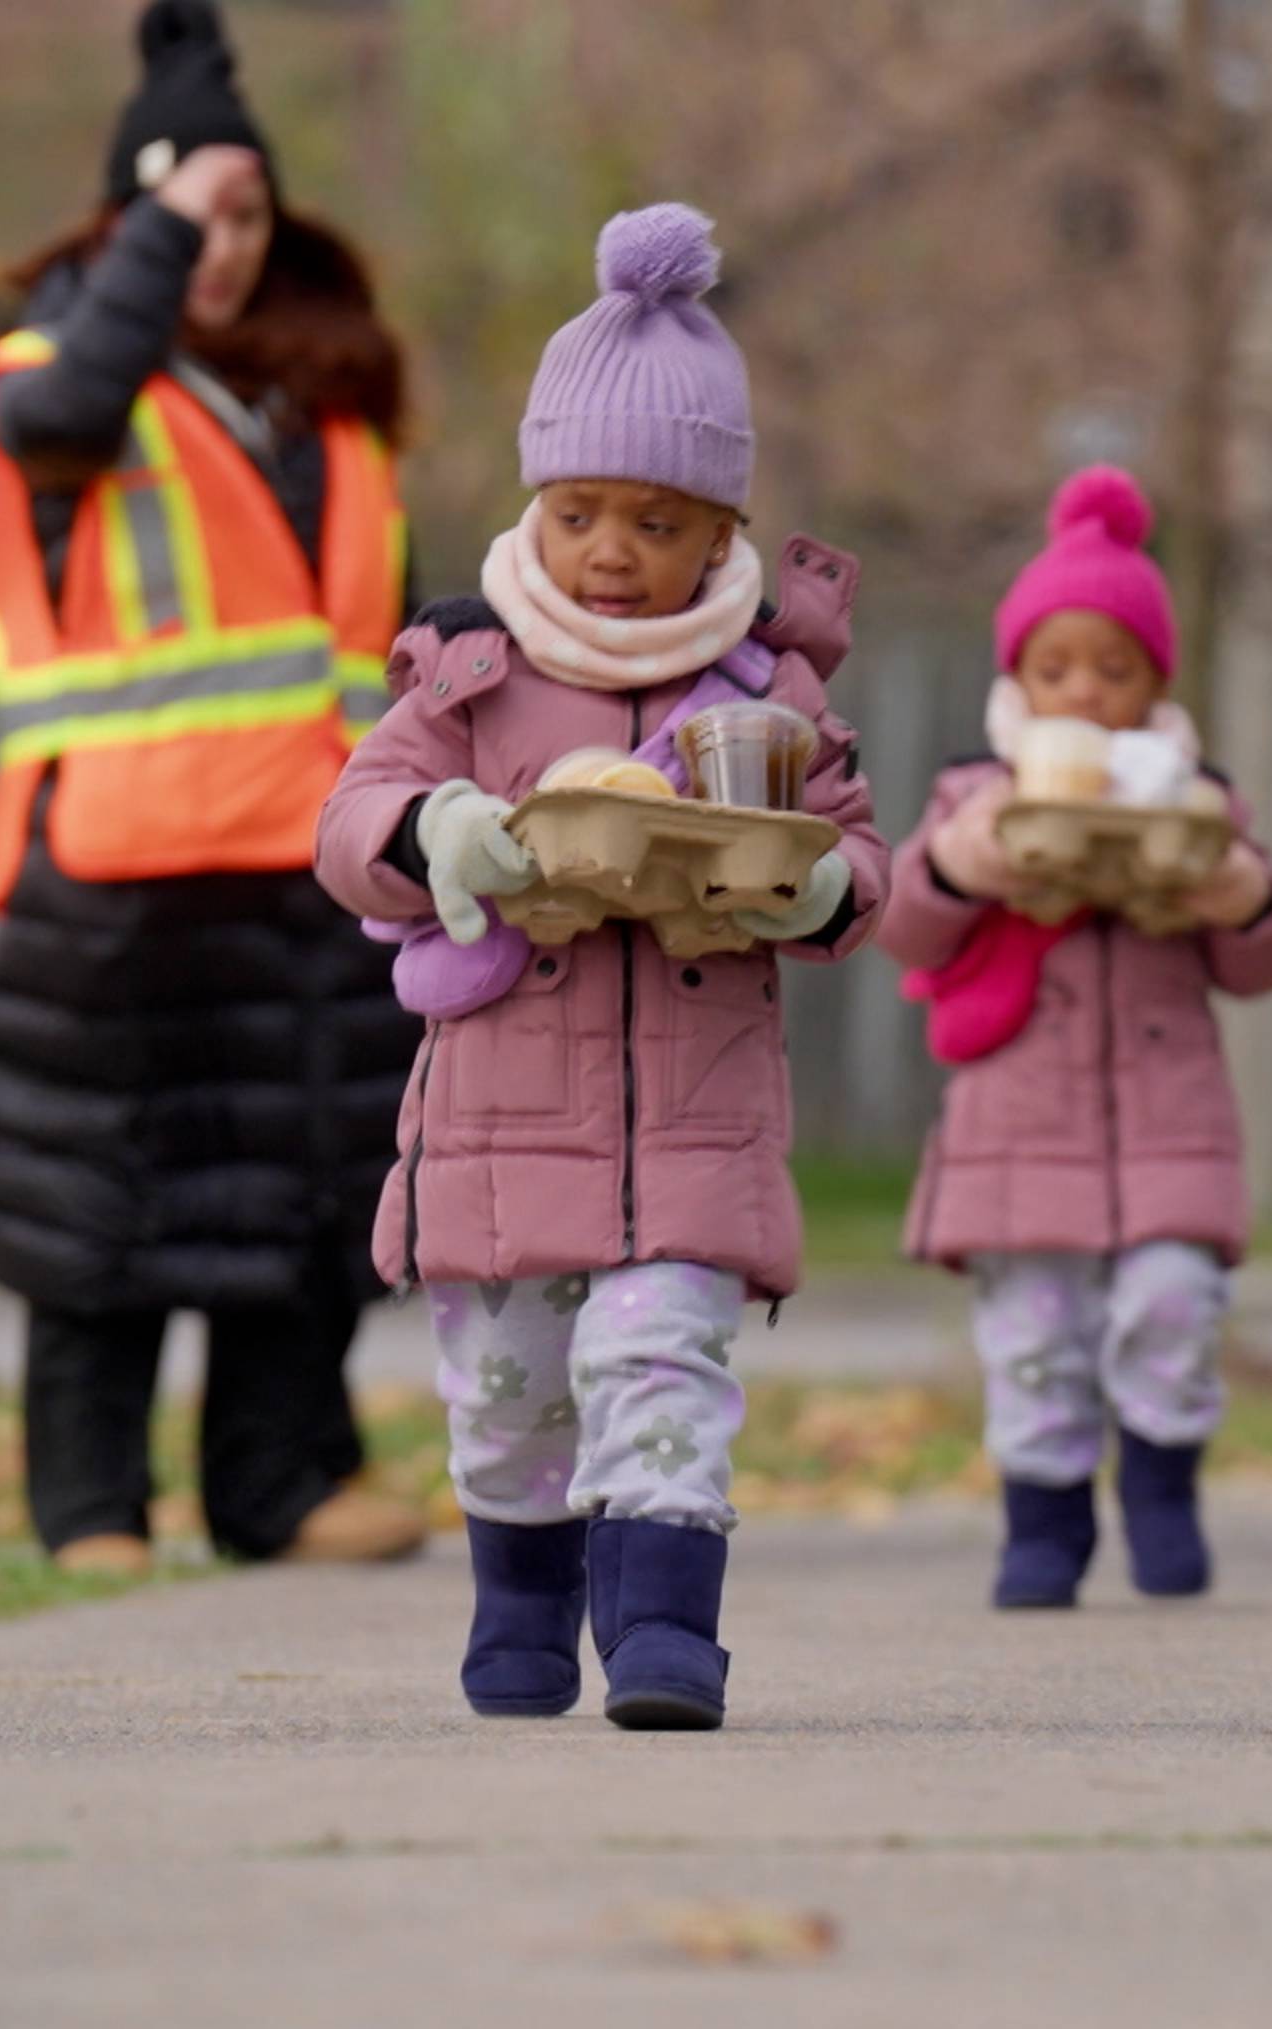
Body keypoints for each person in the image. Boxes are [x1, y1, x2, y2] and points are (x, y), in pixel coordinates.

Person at [316, 202, 890, 1733]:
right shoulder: (470, 670)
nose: (613, 554)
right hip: (508, 1109)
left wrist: (811, 886)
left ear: (721, 533)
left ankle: (663, 1640)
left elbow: (855, 856)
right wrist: (438, 829)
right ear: (536, 509)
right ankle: (518, 1600)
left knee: (661, 1370)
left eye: (656, 521)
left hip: (692, 1119)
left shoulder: (768, 693)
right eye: (580, 514)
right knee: (510, 1399)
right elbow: (351, 816)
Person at [0, 0, 426, 1576]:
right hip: (115, 868)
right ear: (130, 219)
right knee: (101, 1196)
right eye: (187, 219)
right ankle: (91, 1501)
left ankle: (279, 1484)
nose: (222, 250)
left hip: (316, 868)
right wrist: (154, 235)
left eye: (245, 217)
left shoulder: (335, 412)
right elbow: (70, 410)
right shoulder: (46, 376)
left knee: (302, 1192)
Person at [881, 466, 1272, 1608]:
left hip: (1169, 1120)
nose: (1085, 693)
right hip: (1022, 1121)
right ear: (1015, 676)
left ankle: (1164, 1489)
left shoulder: (1197, 805)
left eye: (1114, 670)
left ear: (1156, 682)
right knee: (1035, 1340)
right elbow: (905, 924)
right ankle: (1044, 1523)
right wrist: (963, 862)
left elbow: (1269, 958)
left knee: (1173, 1305)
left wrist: (1238, 893)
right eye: (1055, 668)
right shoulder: (976, 798)